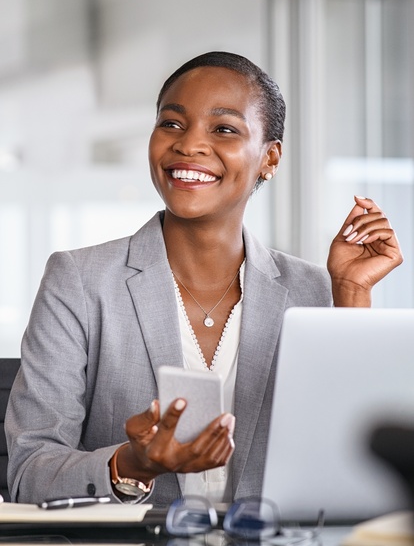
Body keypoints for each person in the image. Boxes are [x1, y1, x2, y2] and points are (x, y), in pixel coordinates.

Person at [5, 51, 403, 506]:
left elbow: (355, 464)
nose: (189, 144)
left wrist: (350, 294)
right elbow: (29, 471)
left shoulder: (313, 290)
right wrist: (133, 465)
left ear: (270, 158)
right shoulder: (79, 281)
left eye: (224, 129)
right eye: (171, 124)